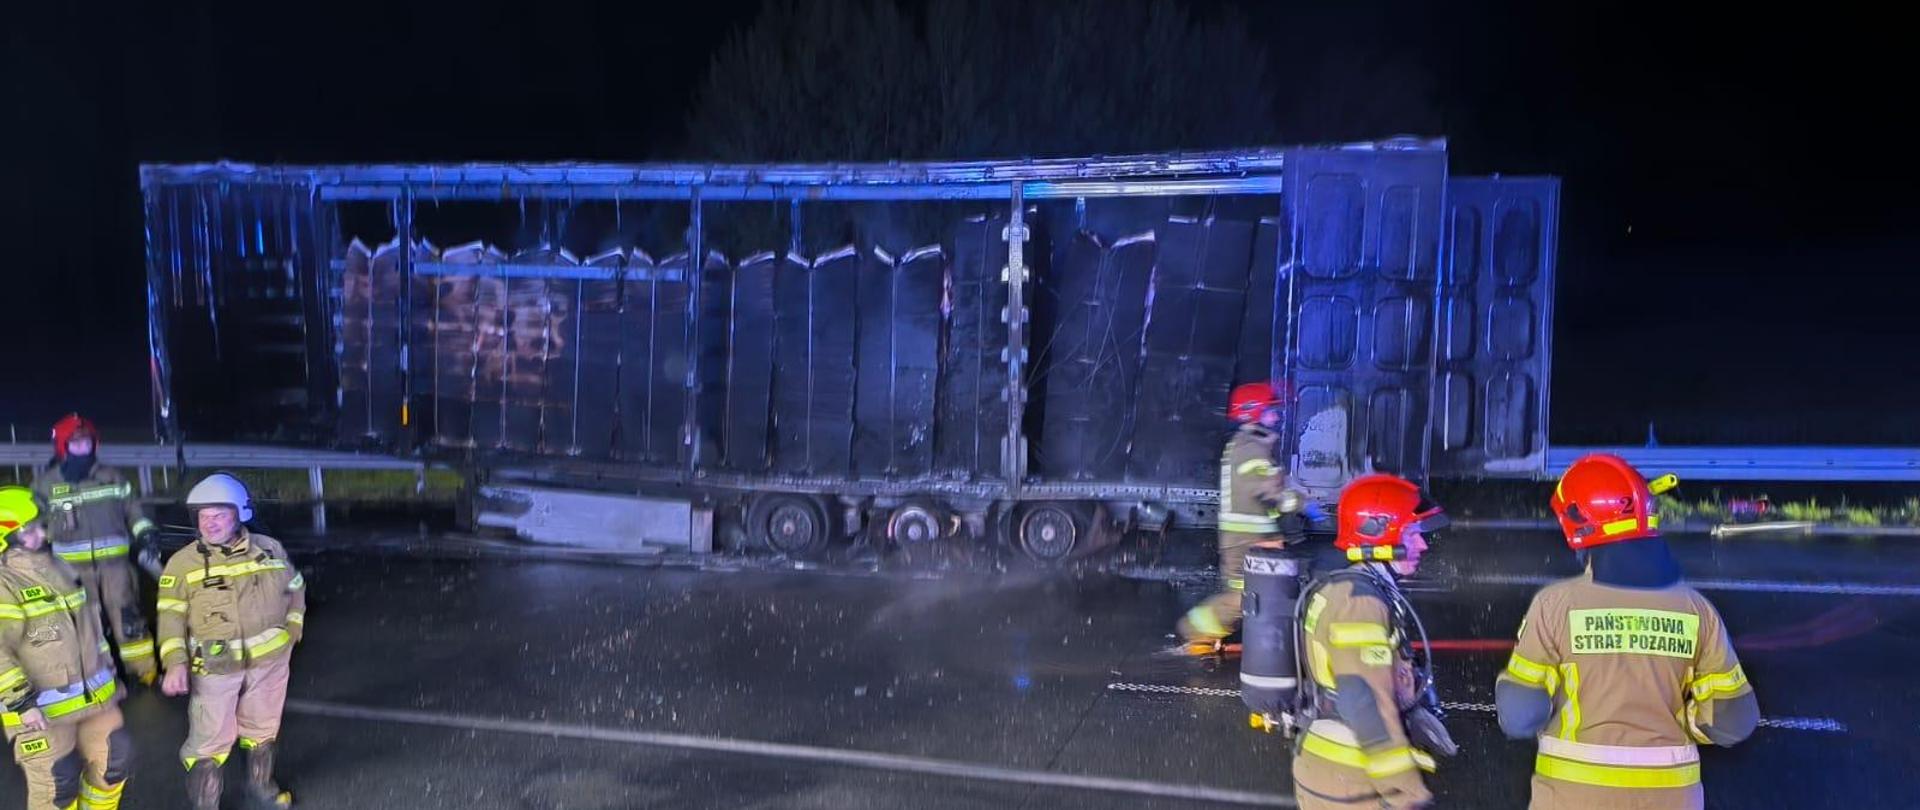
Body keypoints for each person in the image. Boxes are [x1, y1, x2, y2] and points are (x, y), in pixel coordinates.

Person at [1496, 454, 1758, 809]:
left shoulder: (1555, 606)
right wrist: (1682, 722)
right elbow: (1735, 722)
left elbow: (1519, 717)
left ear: (1578, 526)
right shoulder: (1697, 610)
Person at [1291, 474, 1452, 810]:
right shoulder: (1361, 604)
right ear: (1378, 533)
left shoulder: (1351, 587)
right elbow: (1366, 705)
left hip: (1338, 770)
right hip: (1350, 777)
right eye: (1412, 533)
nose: (1422, 544)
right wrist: (1406, 793)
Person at [157, 473, 304, 810]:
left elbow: (295, 588)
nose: (210, 524)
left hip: (270, 661)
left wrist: (293, 629)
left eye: (219, 515)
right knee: (209, 742)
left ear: (240, 514)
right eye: (204, 517)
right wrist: (175, 664)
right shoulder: (181, 565)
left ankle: (261, 790)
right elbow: (170, 618)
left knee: (263, 727)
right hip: (215, 666)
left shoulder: (269, 550)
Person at [0, 486, 132, 810]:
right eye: (29, 530)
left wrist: (106, 663)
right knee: (59, 785)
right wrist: (20, 701)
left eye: (40, 526)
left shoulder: (61, 567)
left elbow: (90, 625)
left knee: (115, 760)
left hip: (95, 697)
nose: (41, 534)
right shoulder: (5, 584)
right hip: (38, 711)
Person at [30, 414, 160, 686]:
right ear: (64, 446)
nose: (82, 448)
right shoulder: (45, 484)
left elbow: (132, 510)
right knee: (86, 624)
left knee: (128, 618)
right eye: (75, 443)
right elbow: (36, 523)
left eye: (86, 442)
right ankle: (101, 675)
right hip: (71, 572)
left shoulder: (112, 476)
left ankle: (143, 671)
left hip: (115, 567)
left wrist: (145, 532)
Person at [1178, 381, 1305, 648]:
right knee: (1245, 596)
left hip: (1252, 540)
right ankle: (1194, 631)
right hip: (1246, 543)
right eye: (1271, 411)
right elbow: (1269, 492)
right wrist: (1300, 502)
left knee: (1255, 593)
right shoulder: (1250, 448)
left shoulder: (1249, 445)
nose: (1276, 417)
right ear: (1253, 413)